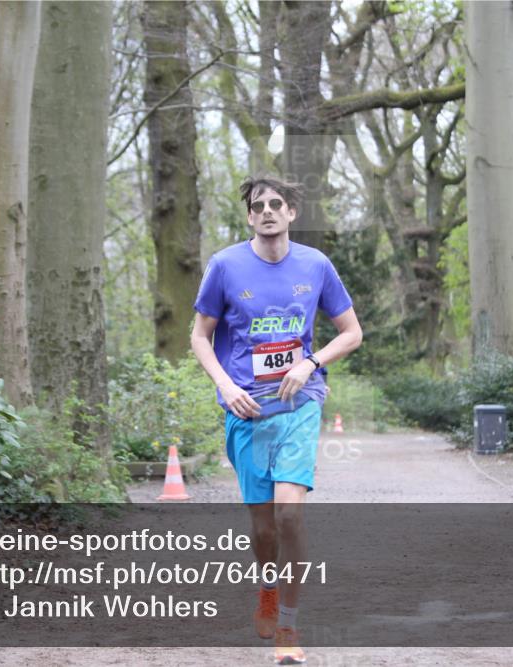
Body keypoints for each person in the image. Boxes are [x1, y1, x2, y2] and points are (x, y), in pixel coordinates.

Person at [191, 176, 362, 664]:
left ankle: (288, 626)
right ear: (249, 217)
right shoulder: (224, 267)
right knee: (264, 527)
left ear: (291, 213)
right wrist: (225, 385)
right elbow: (200, 336)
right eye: (258, 205)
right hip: (247, 409)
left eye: (277, 204)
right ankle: (267, 589)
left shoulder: (316, 265)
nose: (267, 211)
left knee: (290, 512)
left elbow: (351, 333)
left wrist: (311, 363)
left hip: (300, 403)